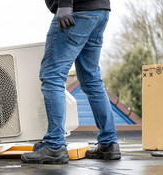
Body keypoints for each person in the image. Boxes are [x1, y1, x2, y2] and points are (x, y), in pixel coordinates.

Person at [21, 0, 121, 164]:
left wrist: (65, 4)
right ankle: (109, 143)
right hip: (99, 10)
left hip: (77, 10)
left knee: (52, 76)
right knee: (91, 79)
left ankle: (54, 145)